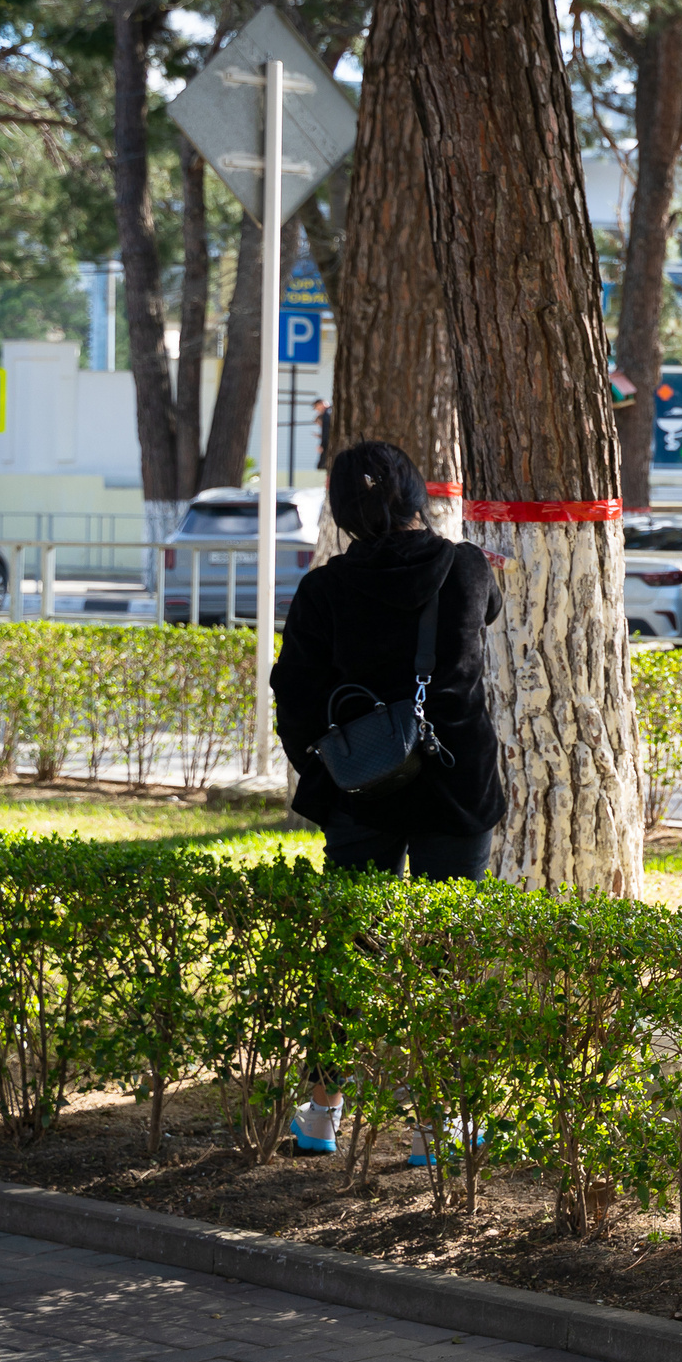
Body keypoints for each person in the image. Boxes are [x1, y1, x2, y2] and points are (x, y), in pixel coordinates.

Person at [270, 440, 506, 1155]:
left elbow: (295, 697)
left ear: (342, 509)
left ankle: (319, 1114)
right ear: (416, 496)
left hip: (363, 789)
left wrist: (333, 770)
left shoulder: (324, 589)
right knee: (449, 950)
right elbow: (486, 616)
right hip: (455, 786)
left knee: (354, 950)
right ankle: (442, 1127)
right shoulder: (465, 567)